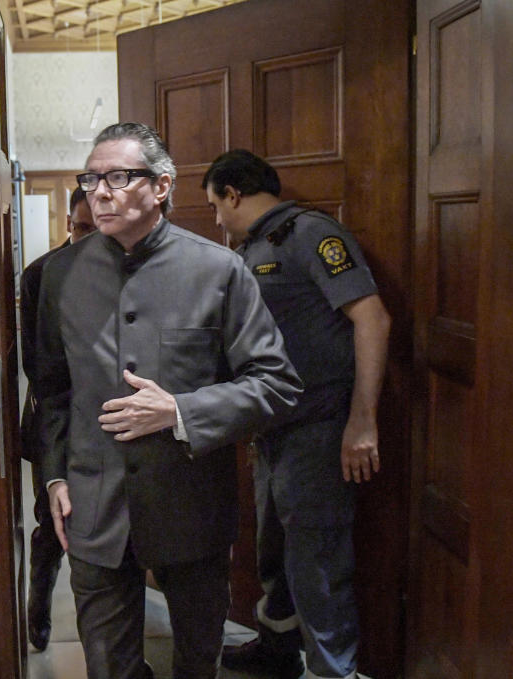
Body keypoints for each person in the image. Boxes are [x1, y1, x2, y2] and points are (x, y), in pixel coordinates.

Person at [34, 123, 303, 679]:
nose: (98, 191)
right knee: (109, 665)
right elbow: (52, 391)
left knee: (197, 660)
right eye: (91, 178)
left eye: (117, 176)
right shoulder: (57, 275)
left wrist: (180, 411)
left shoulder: (218, 270)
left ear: (161, 187)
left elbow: (276, 382)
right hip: (93, 504)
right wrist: (56, 477)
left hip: (191, 505)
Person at [202, 149, 391, 679]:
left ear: (233, 194)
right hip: (272, 431)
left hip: (320, 429)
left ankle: (335, 672)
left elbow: (372, 320)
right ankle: (277, 649)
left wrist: (363, 420)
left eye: (216, 206)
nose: (217, 221)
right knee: (272, 555)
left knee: (318, 563)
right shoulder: (252, 249)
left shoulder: (312, 235)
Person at [20, 187, 97, 652]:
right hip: (53, 415)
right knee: (49, 525)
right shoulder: (40, 274)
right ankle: (38, 609)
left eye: (97, 229)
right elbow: (35, 361)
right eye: (81, 227)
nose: (89, 238)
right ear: (69, 222)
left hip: (106, 419)